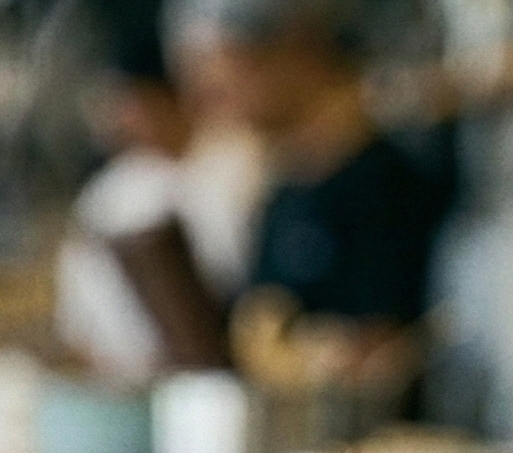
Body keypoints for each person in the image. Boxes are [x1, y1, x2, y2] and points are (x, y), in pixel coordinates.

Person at [177, 0, 451, 332]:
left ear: (298, 47)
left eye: (234, 59)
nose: (210, 87)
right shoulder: (283, 185)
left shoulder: (384, 172)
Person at [55, 0, 265, 382]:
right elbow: (77, 323)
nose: (122, 117)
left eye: (133, 100)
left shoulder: (242, 160)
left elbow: (257, 305)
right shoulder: (110, 193)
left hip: (225, 379)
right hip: (127, 385)